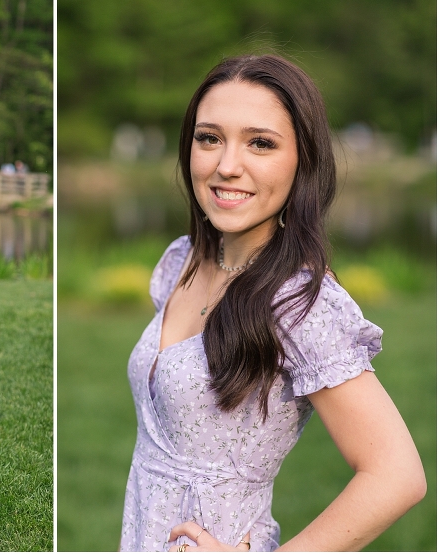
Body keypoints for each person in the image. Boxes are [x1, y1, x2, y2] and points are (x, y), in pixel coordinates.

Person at [120, 55, 425, 552]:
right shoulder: (183, 261)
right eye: (209, 138)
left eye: (260, 143)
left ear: (302, 160)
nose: (227, 165)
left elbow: (396, 475)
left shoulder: (300, 302)